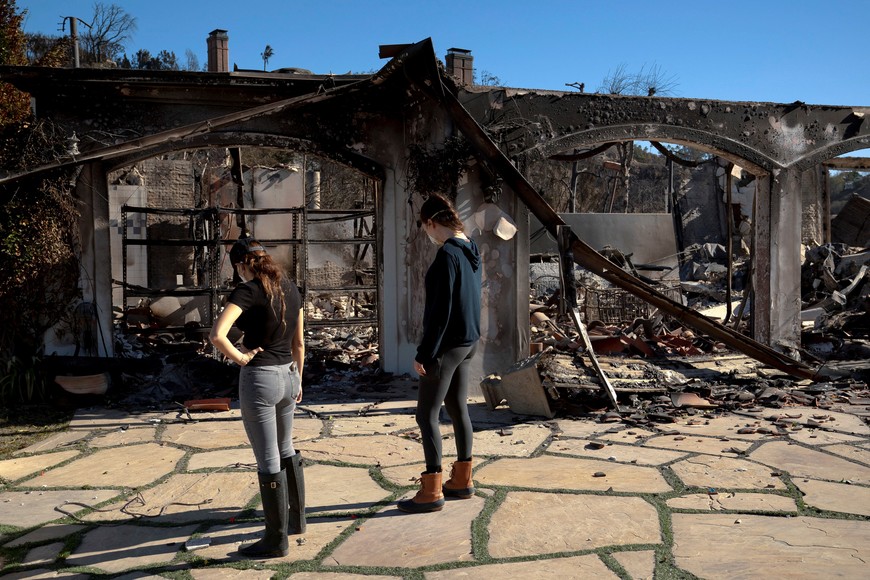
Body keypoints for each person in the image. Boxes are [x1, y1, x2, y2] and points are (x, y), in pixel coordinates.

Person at [209, 236, 306, 558]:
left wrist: (239, 357)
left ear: (240, 265)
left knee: (268, 459)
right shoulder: (291, 289)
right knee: (286, 447)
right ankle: (296, 522)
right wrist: (299, 380)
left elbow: (217, 335)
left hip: (261, 379)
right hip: (290, 376)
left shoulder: (247, 291)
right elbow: (300, 344)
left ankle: (275, 540)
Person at [398, 194, 482, 513]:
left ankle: (432, 490)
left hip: (447, 345)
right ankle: (462, 480)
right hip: (469, 341)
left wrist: (425, 353)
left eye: (425, 227)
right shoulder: (471, 248)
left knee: (426, 415)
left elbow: (440, 311)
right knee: (458, 406)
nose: (426, 234)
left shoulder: (448, 254)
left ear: (432, 222)